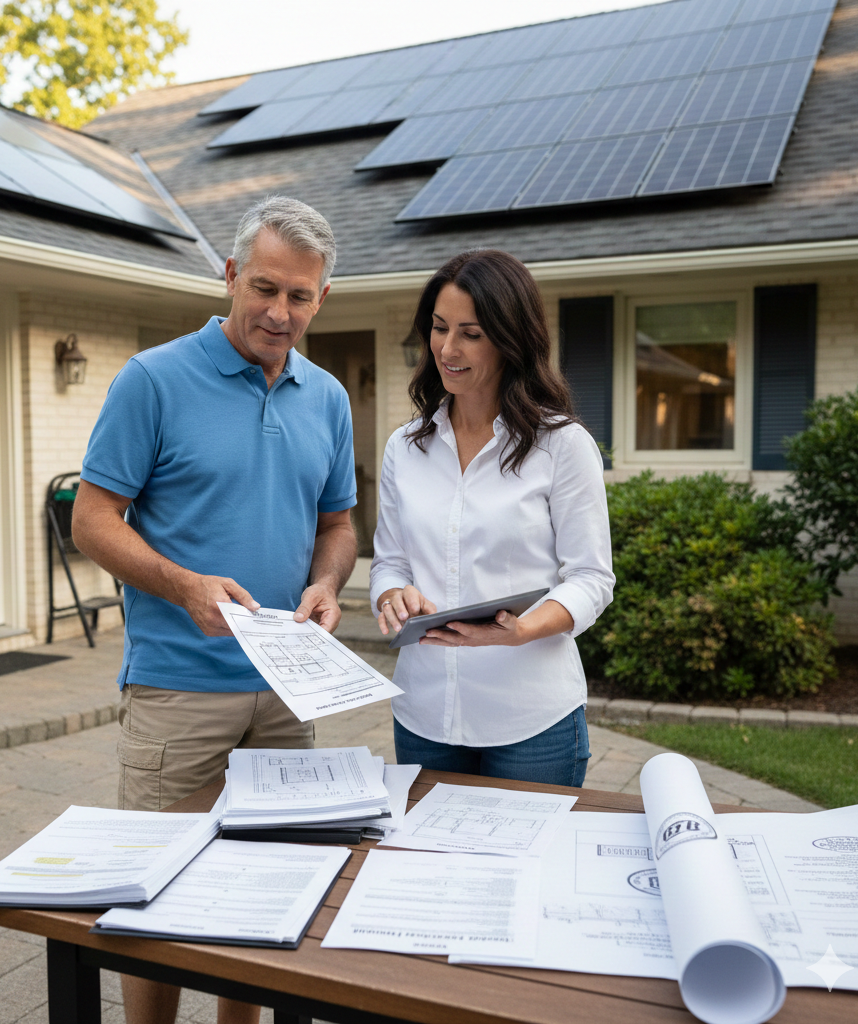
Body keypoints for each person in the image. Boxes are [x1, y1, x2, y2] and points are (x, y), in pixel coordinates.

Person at [71, 196, 357, 1024]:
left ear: (323, 298)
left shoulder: (328, 398)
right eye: (264, 288)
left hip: (288, 691)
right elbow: (93, 520)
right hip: (179, 690)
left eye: (299, 296)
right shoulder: (153, 380)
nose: (279, 313)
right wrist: (182, 584)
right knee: (153, 894)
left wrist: (328, 584)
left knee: (265, 891)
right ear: (230, 275)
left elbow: (338, 527)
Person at [371, 249, 614, 785]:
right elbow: (389, 563)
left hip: (531, 721)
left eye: (471, 334)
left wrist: (521, 631)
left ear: (511, 339)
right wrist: (392, 598)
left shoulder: (562, 446)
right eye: (439, 328)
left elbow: (591, 579)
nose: (447, 349)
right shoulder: (405, 448)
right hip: (424, 714)